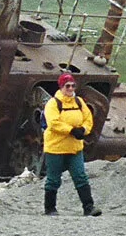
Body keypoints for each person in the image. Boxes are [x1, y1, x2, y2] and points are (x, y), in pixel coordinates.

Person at [42, 73, 101, 216]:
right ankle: (50, 208)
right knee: (53, 179)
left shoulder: (79, 102)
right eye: (67, 86)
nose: (70, 88)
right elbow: (53, 123)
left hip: (75, 148)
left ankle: (89, 207)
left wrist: (84, 130)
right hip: (56, 148)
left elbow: (88, 118)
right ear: (61, 87)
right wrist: (71, 130)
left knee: (80, 176)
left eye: (73, 85)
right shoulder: (53, 103)